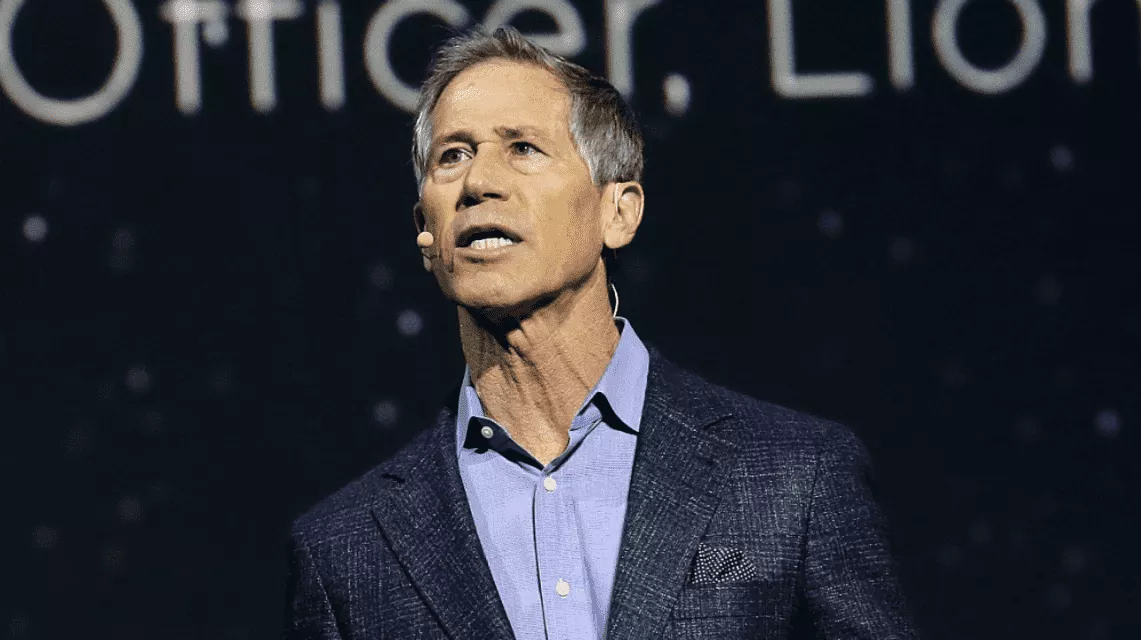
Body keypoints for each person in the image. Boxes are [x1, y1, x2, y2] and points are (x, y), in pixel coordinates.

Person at [283, 26, 917, 640]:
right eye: (453, 155)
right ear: (426, 232)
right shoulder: (345, 552)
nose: (478, 183)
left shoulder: (794, 477)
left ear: (618, 212)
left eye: (522, 148)